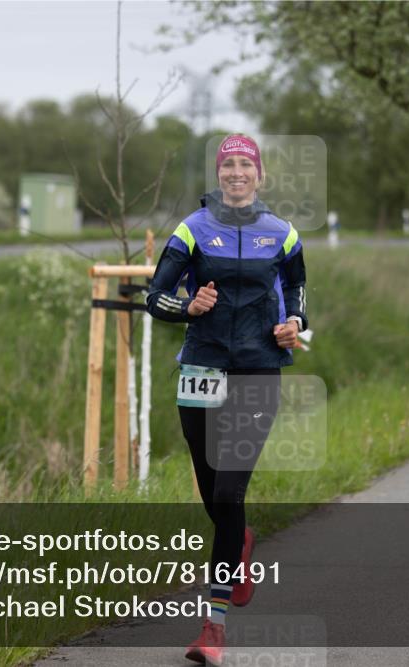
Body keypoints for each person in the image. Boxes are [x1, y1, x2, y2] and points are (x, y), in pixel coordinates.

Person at [146, 134, 307, 666]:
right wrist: (188, 306)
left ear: (258, 174)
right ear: (220, 173)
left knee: (231, 493)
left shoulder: (281, 235)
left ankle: (212, 628)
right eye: (229, 164)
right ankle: (239, 544)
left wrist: (295, 327)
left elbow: (299, 298)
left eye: (246, 164)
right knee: (215, 494)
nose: (237, 172)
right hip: (201, 368)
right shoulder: (193, 230)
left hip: (259, 369)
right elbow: (156, 297)